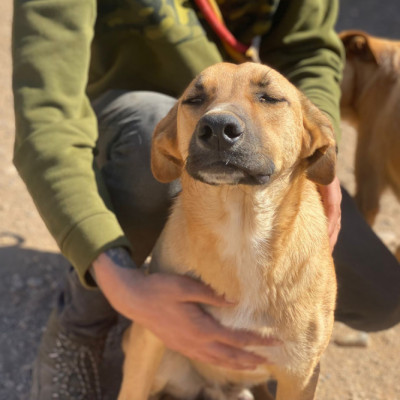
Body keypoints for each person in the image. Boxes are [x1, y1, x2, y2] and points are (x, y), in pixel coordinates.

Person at [11, 0, 400, 398]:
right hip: (127, 108)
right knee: (147, 130)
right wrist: (123, 286)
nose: (221, 121)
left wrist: (318, 139)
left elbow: (308, 47)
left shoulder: (307, 133)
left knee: (382, 296)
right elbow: (46, 117)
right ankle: (82, 325)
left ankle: (245, 363)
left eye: (268, 98)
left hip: (264, 153)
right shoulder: (174, 133)